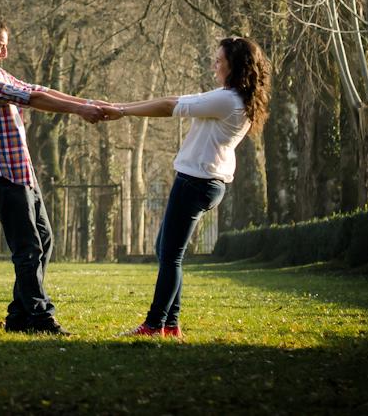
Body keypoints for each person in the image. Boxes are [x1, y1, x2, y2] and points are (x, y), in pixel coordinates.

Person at [103, 36, 271, 338]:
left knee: (171, 256)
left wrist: (122, 111)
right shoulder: (229, 96)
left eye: (219, 61)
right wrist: (121, 108)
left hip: (196, 183)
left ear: (235, 65)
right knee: (165, 251)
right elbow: (177, 98)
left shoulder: (227, 101)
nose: (214, 65)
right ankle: (170, 324)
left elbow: (170, 105)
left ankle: (155, 324)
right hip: (203, 182)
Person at [0, 16, 107, 336]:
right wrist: (79, 111)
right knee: (28, 248)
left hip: (21, 170)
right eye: (0, 46)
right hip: (2, 174)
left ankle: (19, 316)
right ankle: (40, 317)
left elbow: (36, 89)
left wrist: (85, 103)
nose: (4, 53)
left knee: (43, 240)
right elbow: (29, 99)